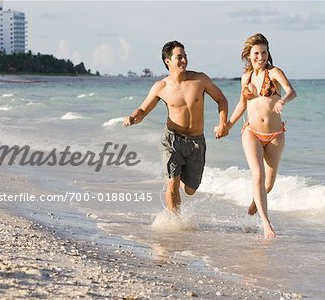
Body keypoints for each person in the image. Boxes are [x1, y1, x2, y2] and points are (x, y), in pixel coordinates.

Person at [124, 40, 229, 213]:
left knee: (190, 189)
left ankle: (179, 183)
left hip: (196, 142)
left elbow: (221, 99)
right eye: (179, 57)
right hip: (172, 140)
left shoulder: (200, 79)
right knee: (172, 183)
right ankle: (175, 224)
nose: (184, 61)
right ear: (168, 61)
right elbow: (143, 110)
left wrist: (222, 123)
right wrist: (133, 117)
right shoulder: (161, 87)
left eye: (185, 56)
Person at [225, 33, 297, 238]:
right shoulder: (245, 78)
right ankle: (267, 224)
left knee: (269, 184)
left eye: (264, 52)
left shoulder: (274, 73)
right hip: (251, 132)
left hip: (275, 134)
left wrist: (283, 101)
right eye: (256, 53)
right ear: (249, 55)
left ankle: (256, 201)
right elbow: (242, 104)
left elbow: (292, 91)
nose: (261, 57)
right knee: (258, 175)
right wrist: (228, 125)